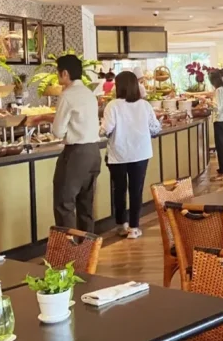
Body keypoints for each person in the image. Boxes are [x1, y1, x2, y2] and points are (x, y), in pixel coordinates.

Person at [101, 71, 161, 239]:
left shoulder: (112, 105)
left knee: (119, 190)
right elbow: (155, 129)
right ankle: (134, 228)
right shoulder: (144, 105)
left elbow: (106, 129)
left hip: (118, 154)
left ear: (119, 86)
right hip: (141, 153)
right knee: (136, 190)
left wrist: (99, 129)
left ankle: (121, 225)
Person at [51, 54, 102, 232]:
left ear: (65, 73)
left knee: (64, 205)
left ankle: (69, 255)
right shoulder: (89, 93)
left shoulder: (67, 95)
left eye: (58, 72)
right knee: (85, 206)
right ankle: (87, 252)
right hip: (94, 152)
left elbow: (58, 131)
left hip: (76, 154)